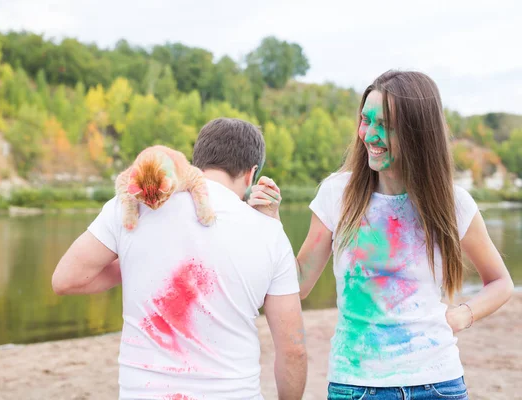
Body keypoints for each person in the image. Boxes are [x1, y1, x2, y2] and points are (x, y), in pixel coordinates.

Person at [249, 70, 514, 399]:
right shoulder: (337, 194)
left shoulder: (453, 202)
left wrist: (463, 314)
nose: (369, 135)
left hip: (438, 384)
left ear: (418, 133)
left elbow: (501, 283)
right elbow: (299, 284)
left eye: (385, 125)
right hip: (355, 385)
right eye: (365, 120)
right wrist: (271, 223)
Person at [52, 118, 307, 400]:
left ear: (197, 162)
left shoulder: (134, 202)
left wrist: (134, 259)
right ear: (251, 173)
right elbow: (293, 349)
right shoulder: (270, 232)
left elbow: (66, 279)